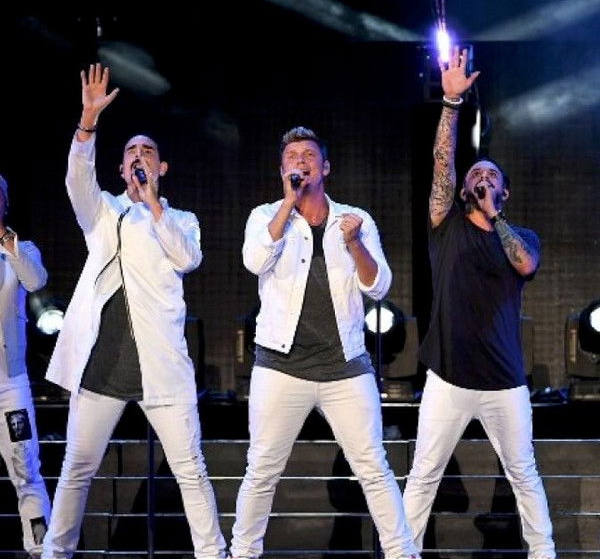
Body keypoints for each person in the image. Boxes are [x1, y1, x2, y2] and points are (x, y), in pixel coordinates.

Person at [41, 64, 226, 559]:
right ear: (121, 170)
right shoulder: (103, 211)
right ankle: (55, 553)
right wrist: (88, 122)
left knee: (190, 469)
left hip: (160, 367)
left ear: (161, 168)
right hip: (102, 367)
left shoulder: (181, 219)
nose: (139, 156)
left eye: (147, 152)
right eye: (130, 152)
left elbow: (187, 258)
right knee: (77, 470)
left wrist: (154, 206)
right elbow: (76, 180)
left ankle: (214, 554)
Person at [230, 126, 419, 559]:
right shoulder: (265, 216)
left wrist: (353, 243)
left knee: (373, 466)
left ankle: (402, 552)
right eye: (292, 156)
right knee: (261, 470)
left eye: (309, 155)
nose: (301, 161)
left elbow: (378, 286)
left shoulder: (354, 219)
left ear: (326, 167)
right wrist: (288, 203)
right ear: (282, 170)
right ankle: (242, 554)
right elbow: (254, 261)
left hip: (344, 366)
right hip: (280, 366)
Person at [402, 48, 555, 558]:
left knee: (523, 473)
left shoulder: (521, 237)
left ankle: (544, 553)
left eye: (491, 177)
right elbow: (442, 164)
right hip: (448, 378)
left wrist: (496, 217)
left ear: (503, 192)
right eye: (476, 175)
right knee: (424, 473)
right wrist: (451, 104)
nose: (481, 178)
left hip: (504, 381)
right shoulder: (445, 224)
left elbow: (524, 265)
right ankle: (402, 552)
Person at [0, 174, 51, 558]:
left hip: (9, 382)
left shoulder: (20, 248)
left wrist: (5, 238)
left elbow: (35, 280)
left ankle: (40, 547)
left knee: (25, 465)